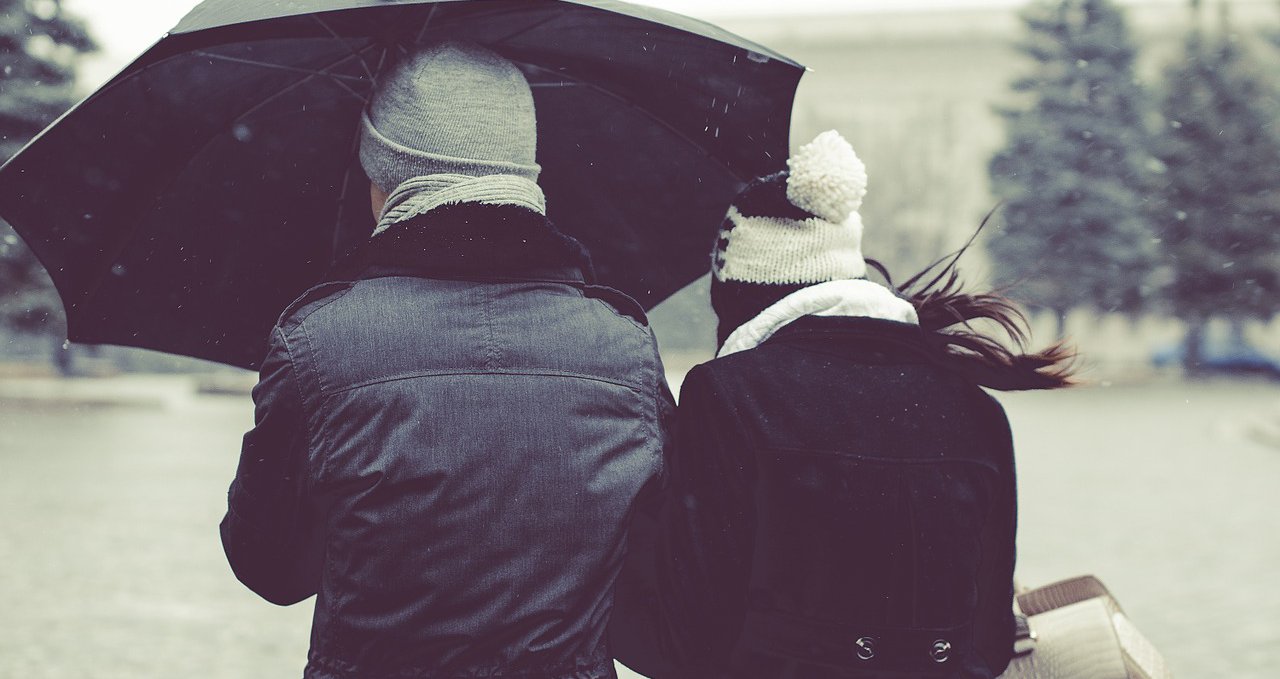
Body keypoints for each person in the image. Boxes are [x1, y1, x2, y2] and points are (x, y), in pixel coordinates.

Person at [220, 41, 670, 679]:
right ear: (524, 177)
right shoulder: (624, 347)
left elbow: (270, 569)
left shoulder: (318, 342)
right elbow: (655, 572)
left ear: (386, 180)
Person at [611, 130, 1074, 678]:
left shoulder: (729, 396)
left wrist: (620, 538)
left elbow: (689, 641)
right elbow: (991, 642)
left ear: (740, 299)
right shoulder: (975, 409)